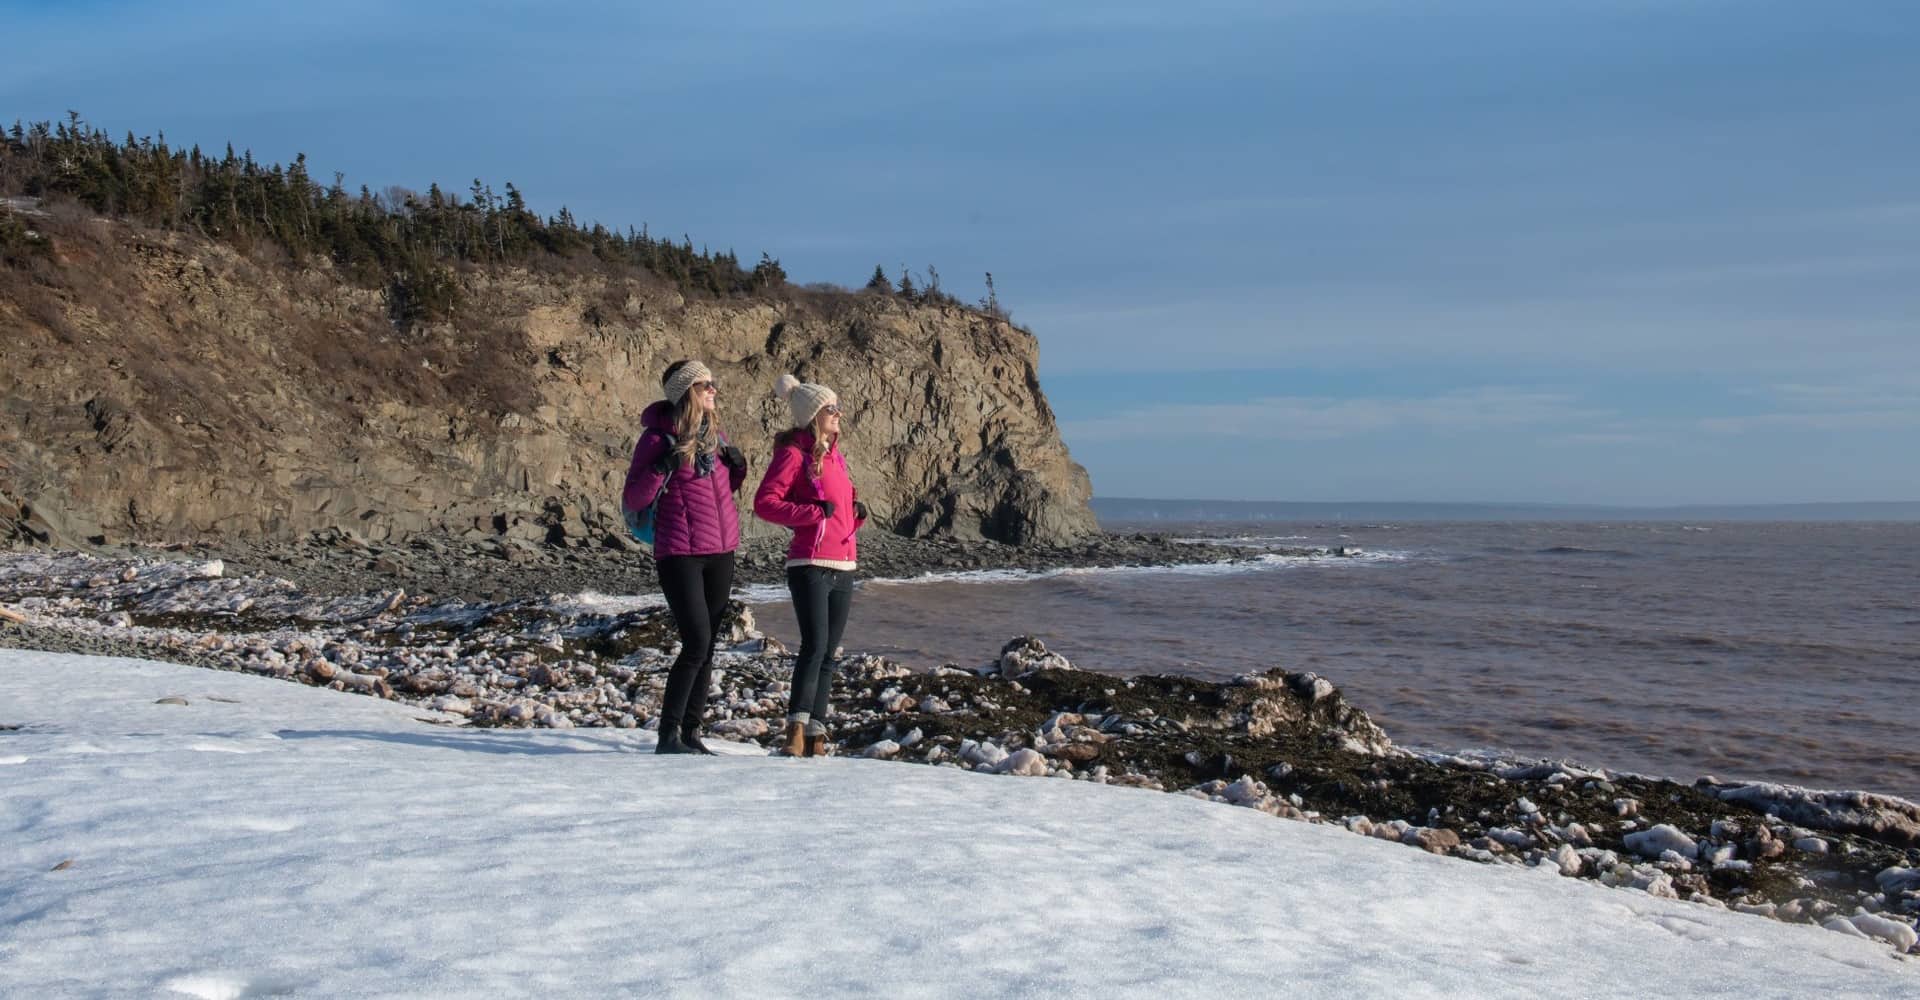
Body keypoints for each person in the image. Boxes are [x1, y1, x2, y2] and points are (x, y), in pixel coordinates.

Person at [623, 360, 747, 754]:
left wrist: (738, 468)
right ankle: (668, 736)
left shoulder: (716, 435)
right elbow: (635, 498)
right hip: (679, 552)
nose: (713, 389)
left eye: (713, 383)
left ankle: (692, 733)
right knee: (695, 642)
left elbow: (723, 490)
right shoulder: (658, 439)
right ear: (686, 392)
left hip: (720, 551)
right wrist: (663, 466)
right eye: (705, 384)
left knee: (708, 646)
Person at [753, 373, 867, 757]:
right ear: (814, 415)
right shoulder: (793, 453)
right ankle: (795, 731)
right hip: (810, 563)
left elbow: (837, 512)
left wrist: (855, 515)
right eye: (831, 409)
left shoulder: (835, 456)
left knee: (830, 653)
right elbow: (765, 502)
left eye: (837, 407)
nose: (839, 414)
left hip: (844, 565)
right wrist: (813, 513)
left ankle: (817, 735)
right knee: (814, 647)